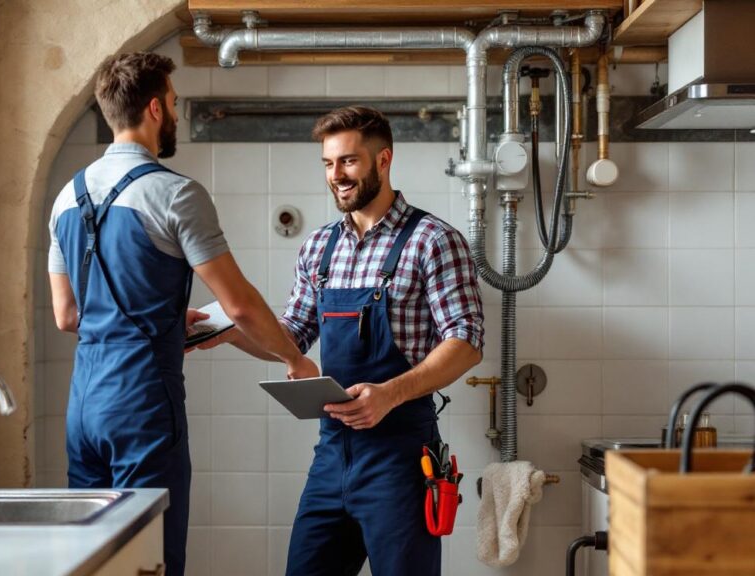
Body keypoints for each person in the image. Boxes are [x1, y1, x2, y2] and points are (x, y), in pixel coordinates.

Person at [46, 52, 318, 576]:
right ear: (153, 108)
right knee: (151, 560)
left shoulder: (65, 198)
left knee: (93, 561)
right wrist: (293, 359)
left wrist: (161, 316)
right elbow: (239, 304)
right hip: (143, 399)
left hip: (84, 403)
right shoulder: (175, 194)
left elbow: (66, 315)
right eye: (172, 103)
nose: (173, 113)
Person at [200, 106, 484, 575]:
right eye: (329, 164)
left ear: (384, 160)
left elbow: (467, 339)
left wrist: (389, 394)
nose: (337, 176)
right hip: (332, 455)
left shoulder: (433, 240)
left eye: (349, 161)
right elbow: (290, 336)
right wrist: (228, 331)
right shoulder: (319, 246)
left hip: (400, 458)